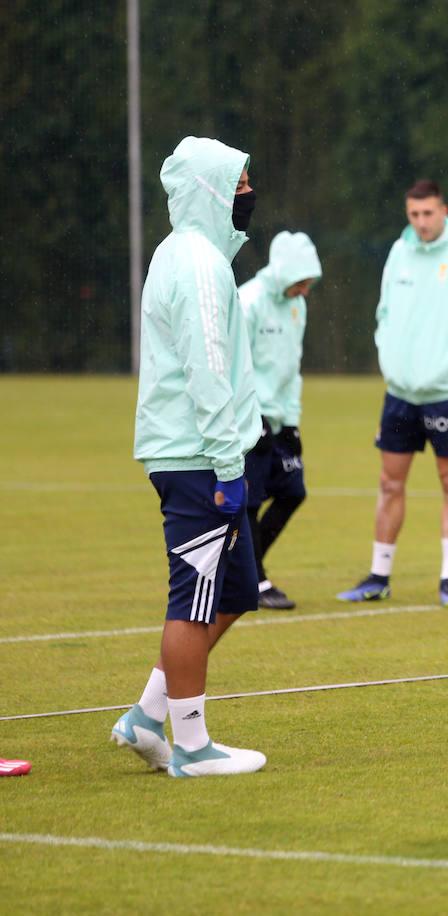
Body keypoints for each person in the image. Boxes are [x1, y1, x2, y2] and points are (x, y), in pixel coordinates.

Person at [111, 136, 267, 778]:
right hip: (199, 457)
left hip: (201, 451)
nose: (249, 197)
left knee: (234, 589)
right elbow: (207, 371)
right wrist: (229, 468)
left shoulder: (185, 253)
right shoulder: (201, 263)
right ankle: (193, 747)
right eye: (238, 186)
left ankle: (149, 714)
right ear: (209, 191)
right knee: (193, 599)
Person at [338, 180, 448, 607]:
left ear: (443, 210)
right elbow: (384, 313)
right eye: (414, 214)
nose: (421, 222)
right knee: (390, 482)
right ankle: (378, 576)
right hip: (400, 394)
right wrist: (391, 362)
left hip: (445, 392)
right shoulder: (399, 251)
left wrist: (440, 366)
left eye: (428, 213)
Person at [240, 231, 322, 610]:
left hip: (277, 418)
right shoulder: (249, 300)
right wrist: (247, 415)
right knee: (250, 501)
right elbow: (231, 366)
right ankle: (255, 580)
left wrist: (291, 423)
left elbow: (292, 368)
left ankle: (244, 568)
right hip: (246, 419)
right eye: (302, 282)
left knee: (293, 491)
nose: (306, 290)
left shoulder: (297, 307)